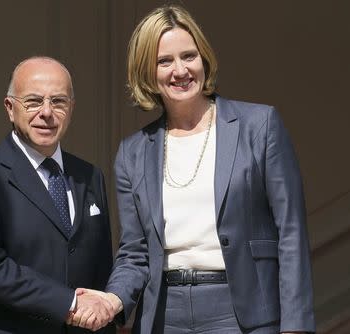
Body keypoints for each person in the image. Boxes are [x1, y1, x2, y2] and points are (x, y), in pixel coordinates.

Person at [71, 5, 315, 334]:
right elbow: (135, 251)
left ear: (204, 59)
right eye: (164, 61)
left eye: (189, 56)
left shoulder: (259, 125)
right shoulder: (132, 152)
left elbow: (291, 231)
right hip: (163, 315)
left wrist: (296, 326)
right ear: (147, 72)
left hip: (242, 312)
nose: (181, 70)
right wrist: (113, 299)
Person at [0, 56, 116, 333]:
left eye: (58, 101)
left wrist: (104, 312)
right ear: (10, 108)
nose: (47, 112)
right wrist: (70, 303)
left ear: (71, 109)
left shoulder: (90, 176)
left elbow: (100, 269)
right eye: (34, 101)